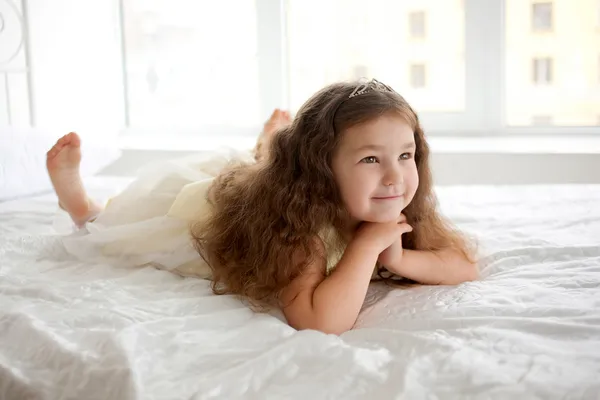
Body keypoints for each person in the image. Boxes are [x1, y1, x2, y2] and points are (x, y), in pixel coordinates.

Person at [47, 79, 477, 335]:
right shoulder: (298, 222)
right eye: (370, 159)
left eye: (405, 156)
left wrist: (398, 255)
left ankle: (268, 148)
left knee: (260, 167)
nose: (395, 177)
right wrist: (367, 246)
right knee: (121, 228)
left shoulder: (394, 201)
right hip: (209, 210)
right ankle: (83, 207)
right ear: (320, 170)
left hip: (274, 179)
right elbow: (317, 321)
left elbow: (462, 266)